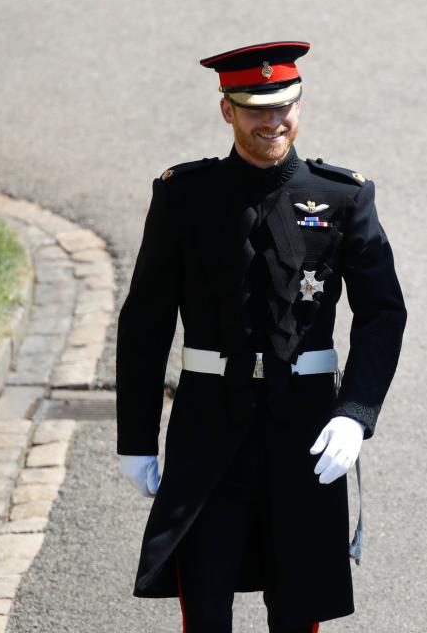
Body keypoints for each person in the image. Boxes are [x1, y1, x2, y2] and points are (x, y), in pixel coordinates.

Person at [115, 41, 406, 633]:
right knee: (205, 605)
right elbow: (146, 319)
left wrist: (355, 412)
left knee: (299, 611)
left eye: (283, 106)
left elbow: (383, 312)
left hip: (306, 428)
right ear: (227, 110)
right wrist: (137, 437)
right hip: (209, 426)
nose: (272, 122)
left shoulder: (345, 196)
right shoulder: (185, 196)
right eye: (254, 108)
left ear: (300, 103)